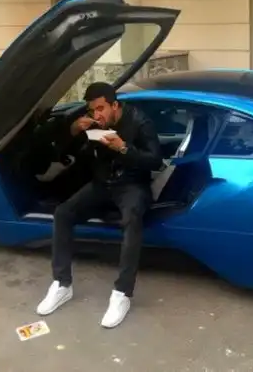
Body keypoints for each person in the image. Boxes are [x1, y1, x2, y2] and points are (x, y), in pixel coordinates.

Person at [36, 82, 163, 328]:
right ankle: (62, 284)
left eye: (101, 109)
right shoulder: (95, 123)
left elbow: (155, 161)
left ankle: (122, 293)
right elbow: (67, 152)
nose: (97, 115)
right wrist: (74, 130)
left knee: (132, 218)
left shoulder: (140, 121)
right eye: (92, 110)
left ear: (115, 105)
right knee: (63, 213)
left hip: (131, 184)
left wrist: (123, 148)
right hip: (102, 183)